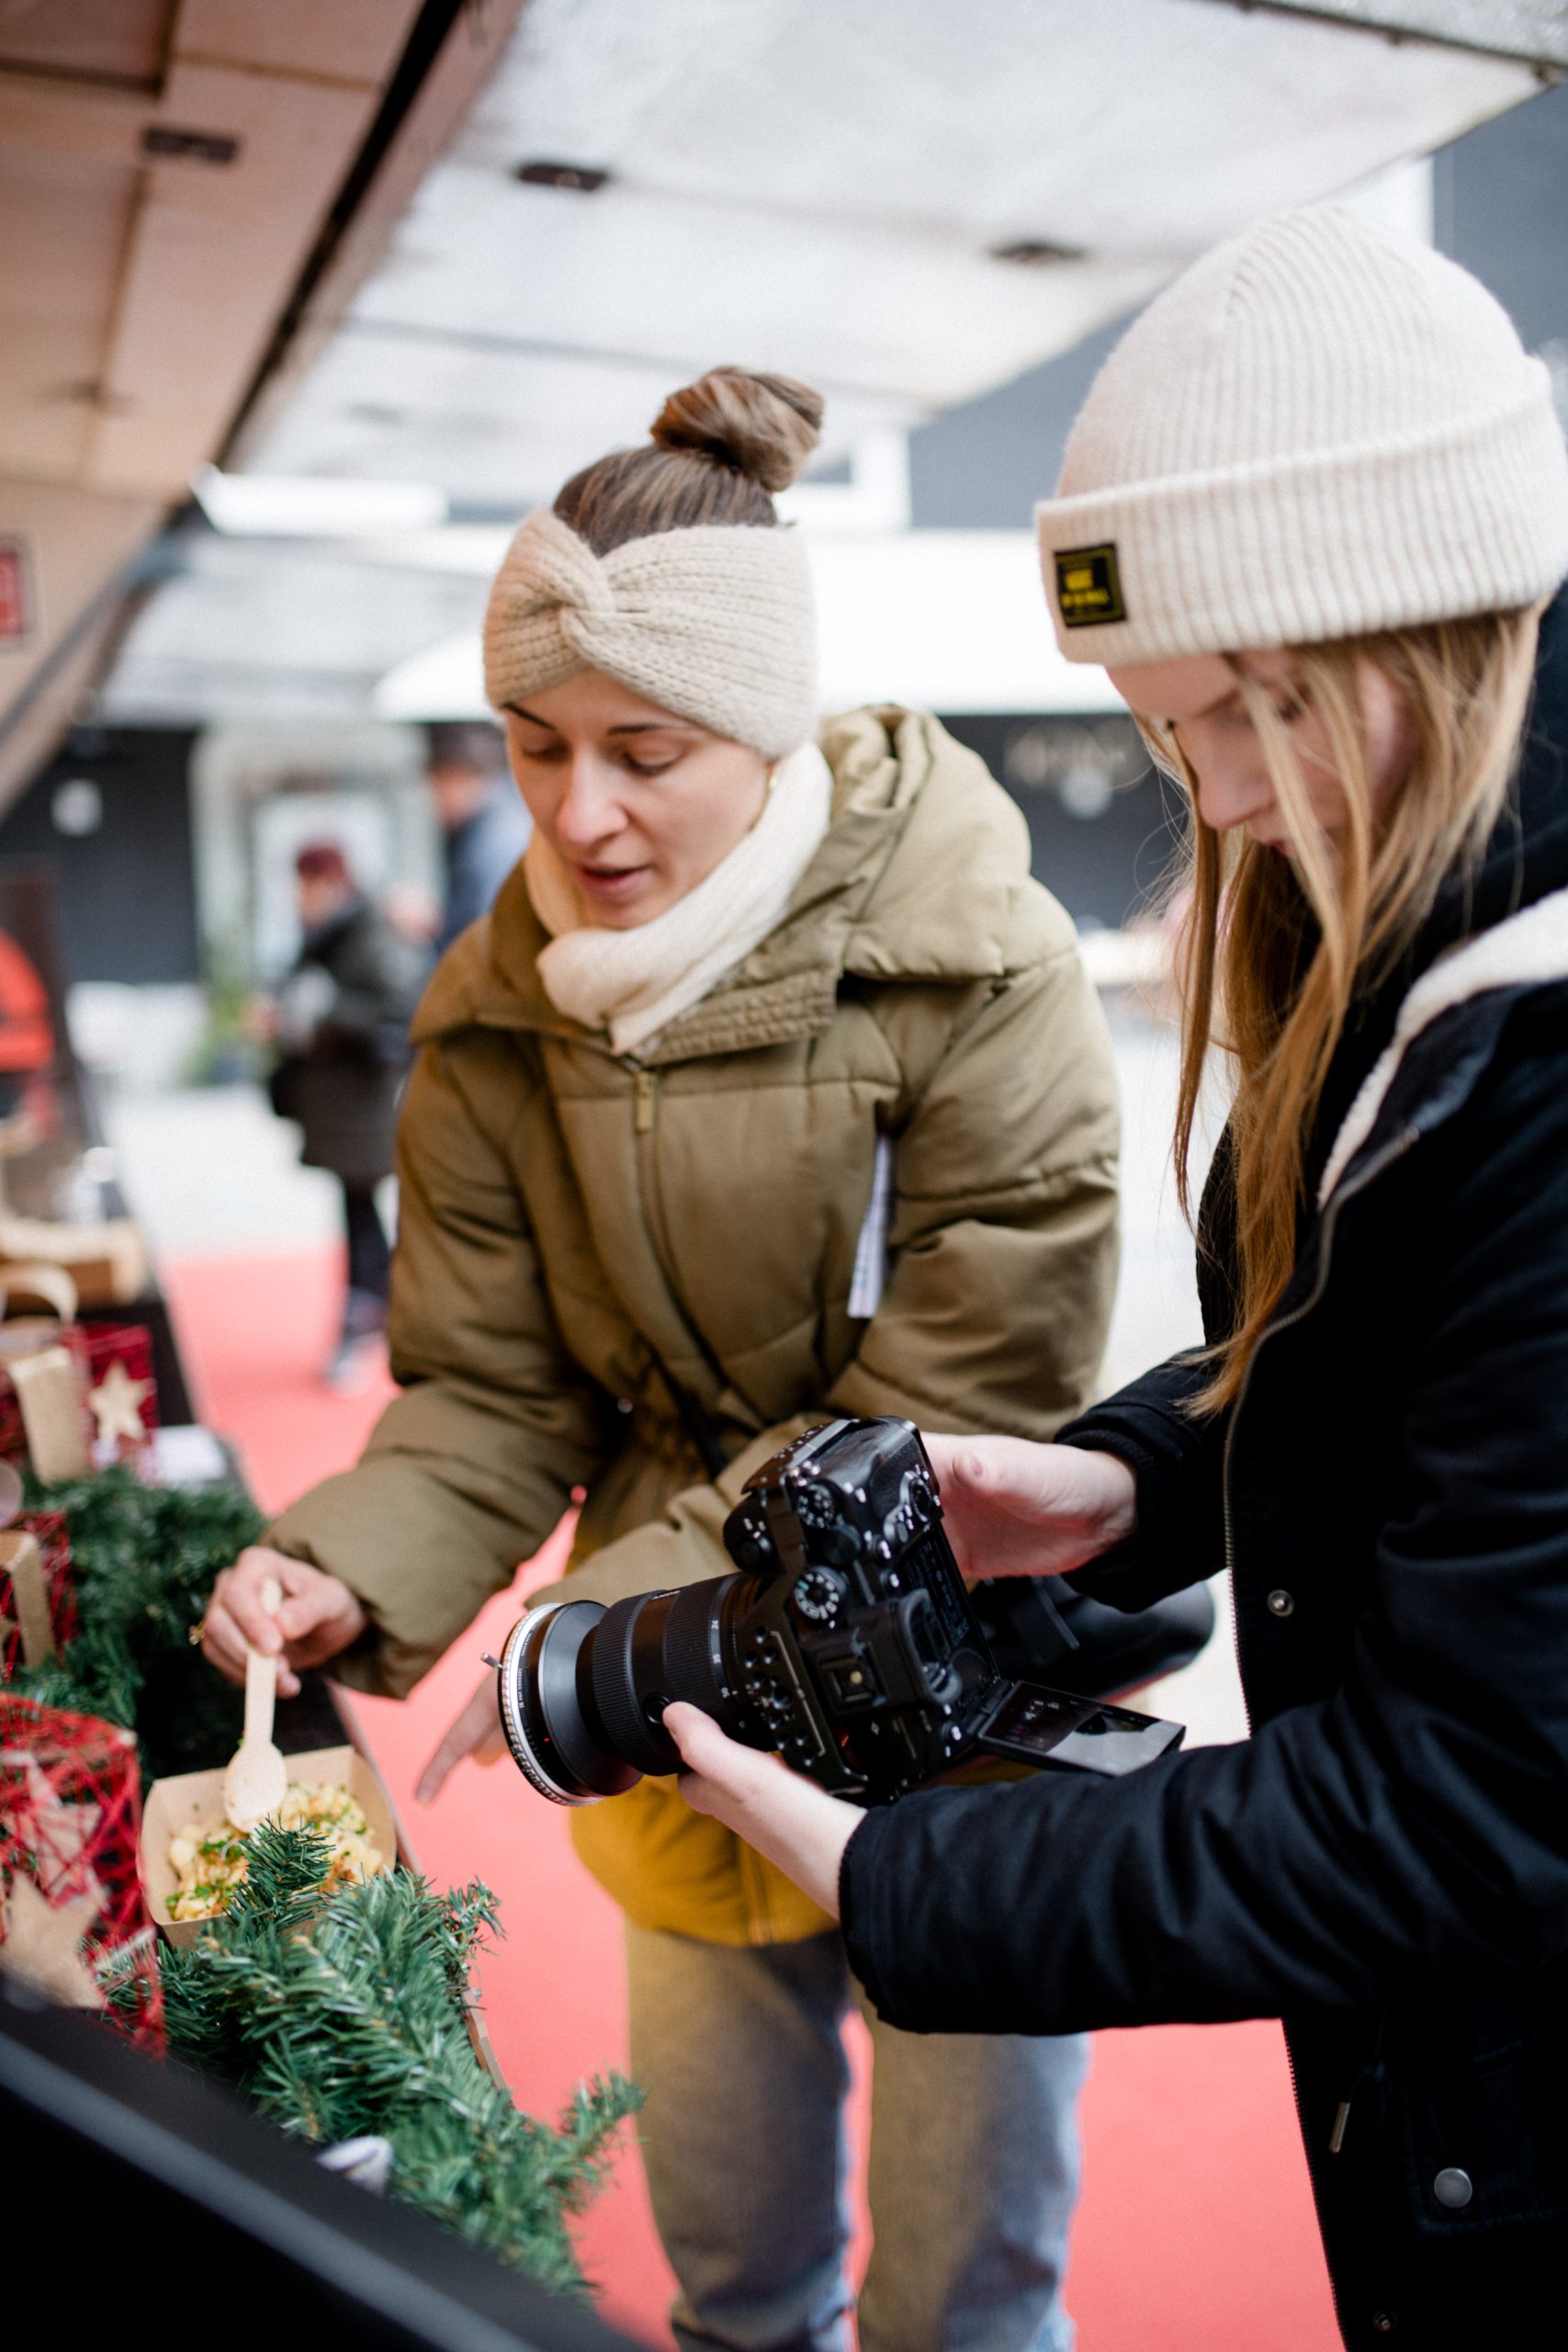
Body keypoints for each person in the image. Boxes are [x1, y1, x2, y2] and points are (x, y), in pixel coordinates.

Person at [661, 210, 1568, 2350]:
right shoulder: (1398, 891)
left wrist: (908, 1881)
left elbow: (1476, 1789)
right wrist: (1140, 1472)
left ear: (1427, 625)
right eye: (1170, 731)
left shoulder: (1532, 1030)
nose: (1223, 797)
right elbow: (1394, 1364)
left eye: (1255, 704)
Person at [198, 367, 1122, 2352]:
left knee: (970, 2296)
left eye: (643, 747)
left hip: (957, 1686)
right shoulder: (494, 1014)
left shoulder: (968, 953)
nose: (578, 810)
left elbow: (960, 1404)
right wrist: (354, 1551)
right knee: (732, 2269)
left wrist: (586, 1647)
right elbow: (487, 1381)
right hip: (679, 1711)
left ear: (767, 727)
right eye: (533, 746)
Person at [264, 842, 425, 1388]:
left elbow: (397, 1013)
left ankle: (370, 1319)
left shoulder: (368, 933)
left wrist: (325, 1012)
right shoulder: (332, 934)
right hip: (339, 1105)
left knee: (363, 1217)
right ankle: (373, 1315)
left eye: (306, 882)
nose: (300, 897)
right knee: (359, 1214)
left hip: (363, 1105)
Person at [425, 718, 533, 949]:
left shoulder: (492, 845)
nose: (432, 800)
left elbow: (480, 940)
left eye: (436, 783)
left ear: (456, 778)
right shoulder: (493, 825)